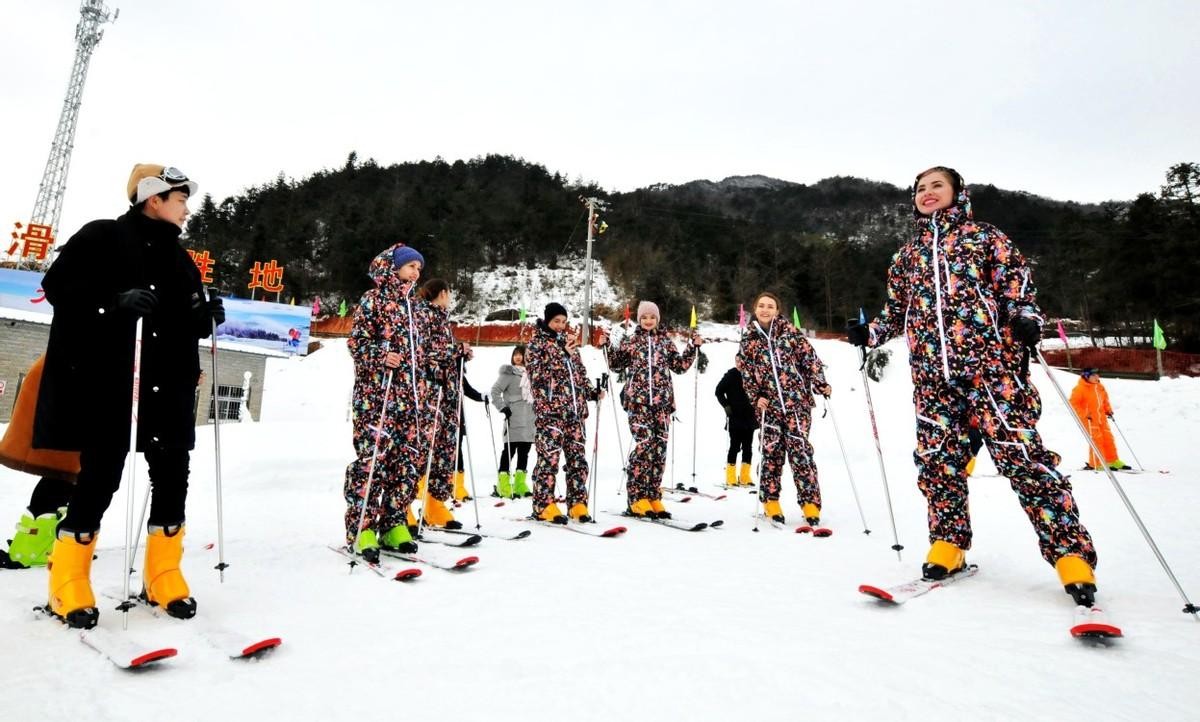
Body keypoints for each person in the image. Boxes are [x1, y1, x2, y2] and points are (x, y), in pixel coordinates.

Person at [847, 165, 1099, 606]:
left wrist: (1025, 318)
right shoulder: (907, 256)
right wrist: (868, 333)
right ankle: (949, 543)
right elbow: (896, 312)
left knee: (1024, 460)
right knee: (938, 465)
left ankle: (1069, 554)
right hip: (933, 382)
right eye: (921, 188)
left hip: (992, 373)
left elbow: (1016, 289)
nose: (927, 193)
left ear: (958, 193)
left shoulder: (985, 237)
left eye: (936, 186)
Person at [34, 164, 222, 628]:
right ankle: (69, 579)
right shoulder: (101, 237)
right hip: (112, 383)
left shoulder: (181, 260)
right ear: (152, 199)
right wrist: (112, 302)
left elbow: (186, 320)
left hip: (168, 386)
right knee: (101, 476)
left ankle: (162, 572)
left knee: (173, 474)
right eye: (180, 200)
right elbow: (57, 287)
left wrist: (206, 316)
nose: (185, 210)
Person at [344, 243, 445, 560]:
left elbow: (427, 351)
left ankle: (394, 523)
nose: (417, 272)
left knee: (405, 465)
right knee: (373, 465)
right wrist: (379, 356)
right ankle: (363, 529)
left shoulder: (416, 308)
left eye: (419, 267)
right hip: (379, 398)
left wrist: (437, 366)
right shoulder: (373, 300)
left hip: (413, 402)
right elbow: (357, 343)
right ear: (394, 266)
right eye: (412, 265)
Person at [737, 292, 830, 526]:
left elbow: (810, 359)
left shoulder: (790, 332)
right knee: (771, 454)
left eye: (770, 306)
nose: (765, 310)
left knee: (801, 454)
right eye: (761, 306)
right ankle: (770, 501)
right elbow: (745, 371)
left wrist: (820, 383)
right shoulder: (748, 338)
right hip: (769, 407)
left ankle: (810, 503)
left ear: (777, 310)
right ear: (754, 309)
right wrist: (755, 396)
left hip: (796, 403)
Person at [604, 301, 700, 519]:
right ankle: (636, 498)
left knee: (659, 450)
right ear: (639, 319)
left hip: (662, 405)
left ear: (658, 319)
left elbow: (679, 366)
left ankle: (653, 495)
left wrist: (692, 347)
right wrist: (607, 346)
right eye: (644, 317)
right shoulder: (632, 341)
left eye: (652, 318)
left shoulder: (665, 342)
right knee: (644, 446)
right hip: (638, 404)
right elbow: (616, 363)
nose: (648, 321)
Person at [525, 303, 604, 523]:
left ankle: (577, 503)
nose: (560, 326)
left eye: (563, 321)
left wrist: (591, 392)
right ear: (547, 321)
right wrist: (561, 355)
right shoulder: (537, 344)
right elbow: (537, 375)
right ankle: (544, 504)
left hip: (575, 413)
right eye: (556, 321)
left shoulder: (569, 343)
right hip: (551, 412)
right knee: (548, 460)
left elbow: (578, 373)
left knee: (577, 459)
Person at [0, 357, 80, 569]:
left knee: (66, 480)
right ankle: (27, 551)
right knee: (61, 477)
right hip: (64, 413)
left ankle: (58, 543)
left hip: (64, 410)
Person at [415, 279, 474, 527]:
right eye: (449, 293)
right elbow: (424, 352)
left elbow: (444, 354)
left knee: (445, 450)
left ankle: (435, 503)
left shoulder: (442, 319)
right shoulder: (422, 315)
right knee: (422, 448)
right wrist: (455, 351)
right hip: (429, 392)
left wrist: (460, 356)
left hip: (448, 392)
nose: (449, 297)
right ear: (442, 293)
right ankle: (403, 506)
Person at [490, 345, 534, 499]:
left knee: (525, 452)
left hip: (529, 418)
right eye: (515, 354)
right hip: (514, 417)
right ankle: (503, 484)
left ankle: (520, 484)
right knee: (509, 450)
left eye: (521, 354)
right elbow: (495, 391)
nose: (518, 357)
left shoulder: (532, 373)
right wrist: (503, 407)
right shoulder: (509, 373)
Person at [1069, 368, 1127, 470]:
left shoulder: (1099, 387)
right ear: (1086, 376)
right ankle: (1096, 463)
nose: (1097, 377)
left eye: (1097, 375)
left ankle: (1112, 460)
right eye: (1094, 375)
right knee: (1096, 440)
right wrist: (1085, 414)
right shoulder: (1079, 389)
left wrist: (1108, 410)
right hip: (1089, 419)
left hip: (1101, 418)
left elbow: (1104, 400)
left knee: (1108, 439)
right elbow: (1073, 404)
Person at [714, 360, 758, 487]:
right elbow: (718, 391)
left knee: (748, 447)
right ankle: (731, 477)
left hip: (749, 416)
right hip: (735, 417)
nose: (740, 363)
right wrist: (726, 406)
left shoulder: (752, 373)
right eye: (737, 361)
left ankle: (745, 477)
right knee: (734, 447)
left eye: (742, 361)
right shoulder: (731, 375)